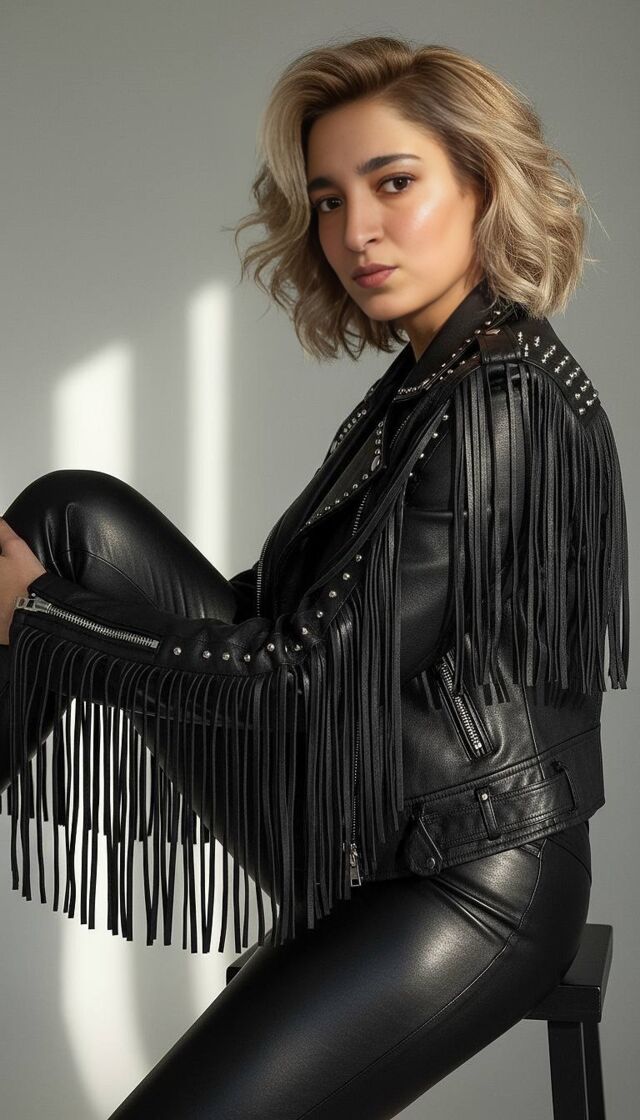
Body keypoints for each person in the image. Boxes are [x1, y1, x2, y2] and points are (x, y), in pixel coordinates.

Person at [0, 35, 630, 1120]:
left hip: (460, 877)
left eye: (394, 184)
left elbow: (302, 672)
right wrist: (60, 602)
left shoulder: (497, 404)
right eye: (330, 201)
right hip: (368, 805)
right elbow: (292, 608)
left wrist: (46, 617)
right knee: (72, 516)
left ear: (482, 186)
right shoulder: (430, 378)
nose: (354, 232)